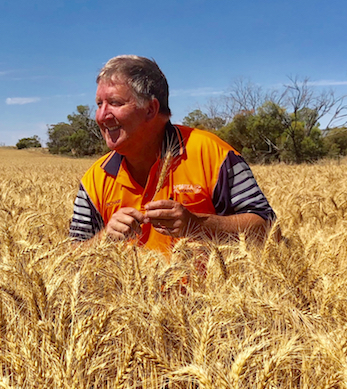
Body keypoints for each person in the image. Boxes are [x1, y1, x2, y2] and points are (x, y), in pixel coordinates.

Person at [69, 55, 276, 252]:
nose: (101, 116)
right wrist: (105, 239)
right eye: (99, 104)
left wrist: (197, 225)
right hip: (129, 290)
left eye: (115, 103)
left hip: (211, 290)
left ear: (150, 109)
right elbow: (71, 260)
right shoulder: (95, 179)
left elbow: (270, 232)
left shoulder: (212, 154)